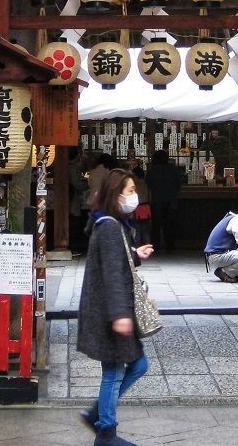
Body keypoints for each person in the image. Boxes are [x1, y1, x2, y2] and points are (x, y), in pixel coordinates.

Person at [77, 168, 155, 446]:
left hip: (107, 309)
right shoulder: (110, 226)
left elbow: (115, 261)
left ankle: (98, 414)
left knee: (137, 365)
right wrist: (120, 315)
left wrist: (135, 254)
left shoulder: (111, 222)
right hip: (109, 312)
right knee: (115, 371)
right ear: (116, 195)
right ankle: (106, 432)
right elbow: (111, 273)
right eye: (131, 191)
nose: (134, 197)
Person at [204, 205, 238, 283]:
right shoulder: (236, 221)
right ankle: (224, 272)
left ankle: (226, 272)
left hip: (215, 255)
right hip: (217, 256)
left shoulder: (232, 219)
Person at [146, 150, 183, 252]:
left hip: (157, 199)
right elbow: (179, 183)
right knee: (170, 224)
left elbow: (148, 183)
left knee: (156, 224)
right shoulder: (173, 169)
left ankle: (155, 246)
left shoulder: (153, 170)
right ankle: (170, 245)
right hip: (171, 199)